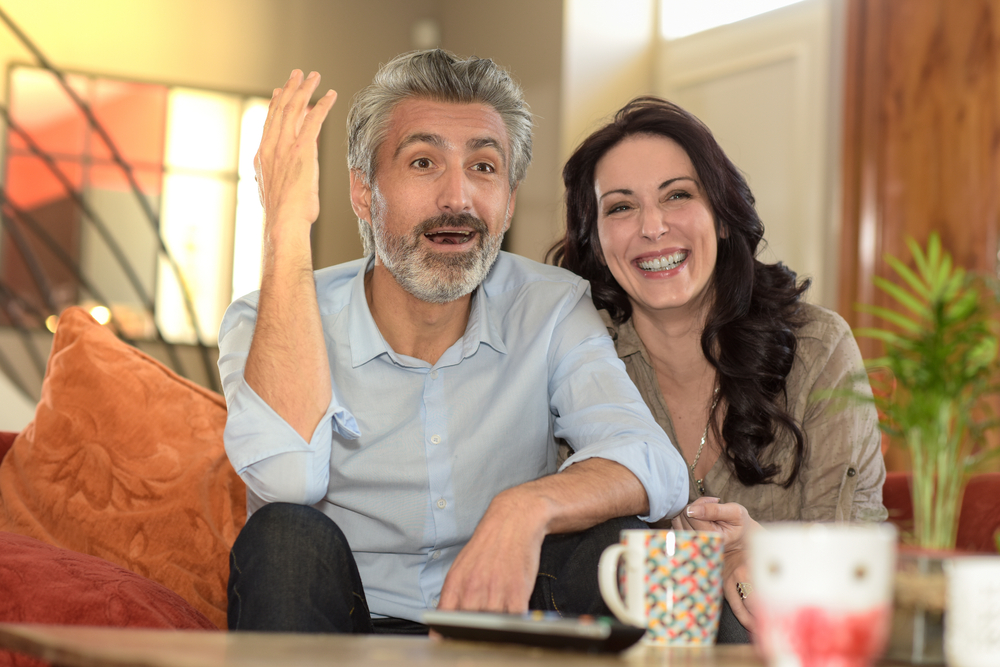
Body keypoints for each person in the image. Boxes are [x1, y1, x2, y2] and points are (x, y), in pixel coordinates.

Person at [217, 51, 692, 635]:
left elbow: (653, 463)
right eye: (423, 162)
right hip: (342, 625)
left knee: (626, 546)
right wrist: (285, 228)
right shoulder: (264, 320)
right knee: (284, 538)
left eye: (485, 168)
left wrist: (526, 508)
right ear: (364, 194)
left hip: (506, 623)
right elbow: (288, 482)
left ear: (510, 202)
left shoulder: (550, 306)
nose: (458, 199)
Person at [550, 96, 888, 634]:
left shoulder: (817, 347)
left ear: (723, 217)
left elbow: (860, 561)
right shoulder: (572, 355)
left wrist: (766, 551)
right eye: (620, 207)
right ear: (595, 240)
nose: (653, 227)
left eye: (677, 195)